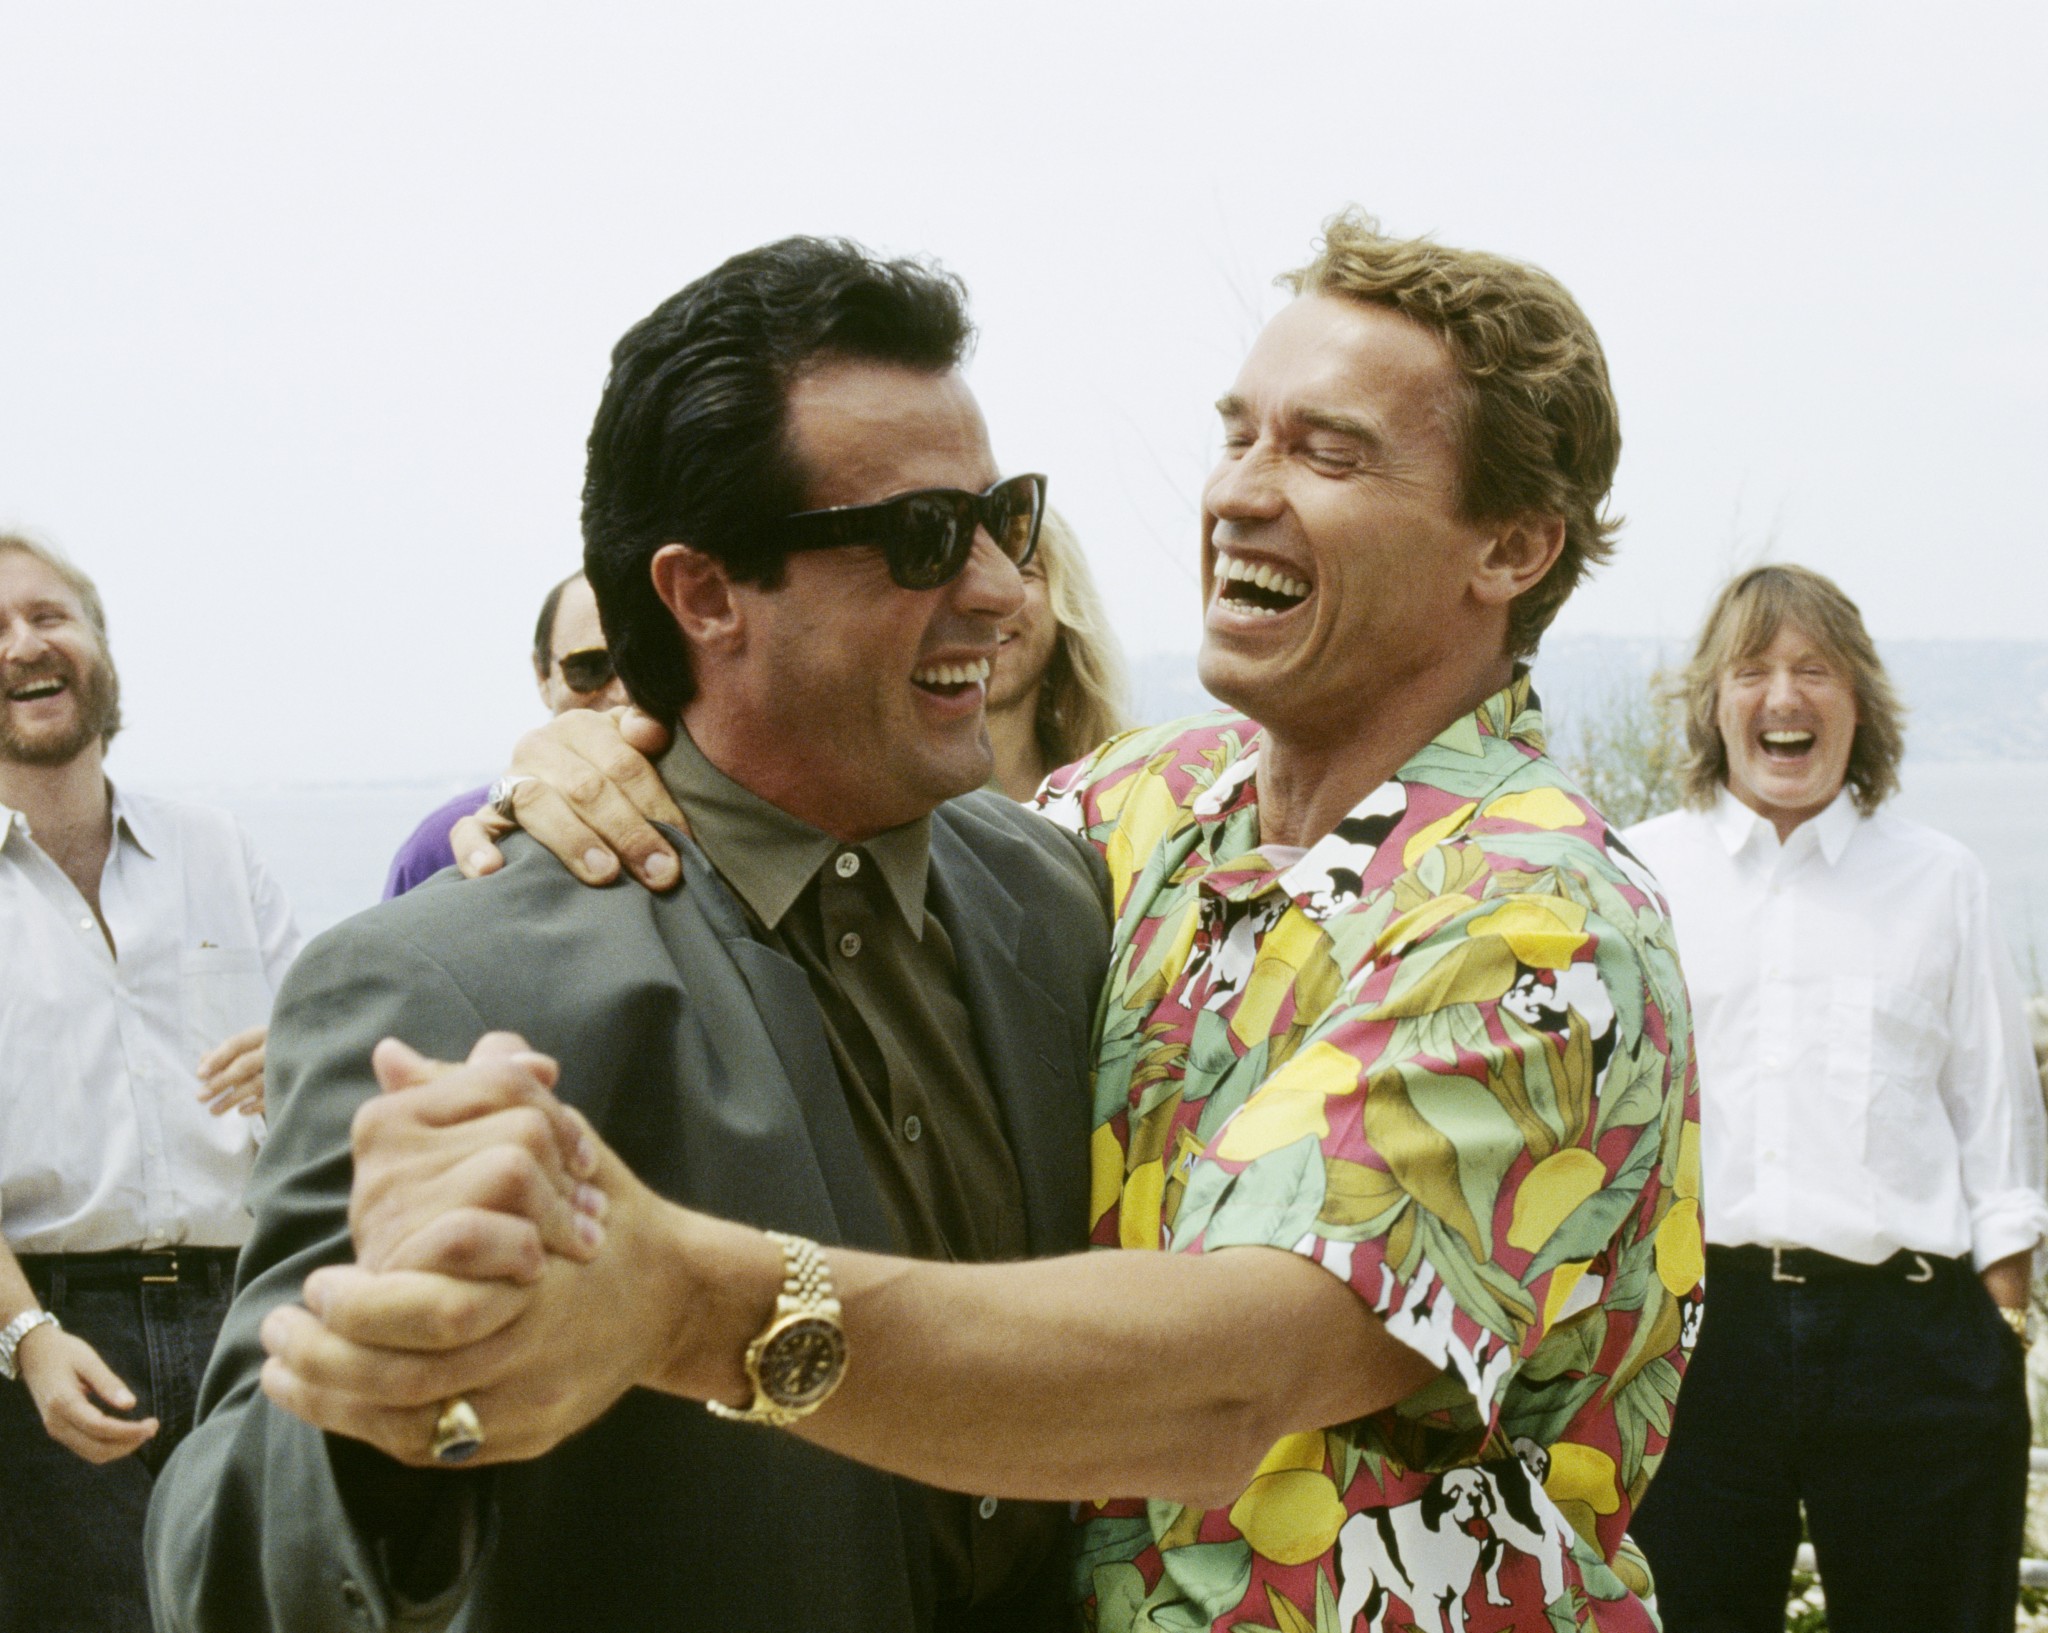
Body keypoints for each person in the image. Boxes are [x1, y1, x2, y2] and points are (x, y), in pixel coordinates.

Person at [214, 213, 1701, 1632]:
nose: (1238, 490)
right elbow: (247, 1538)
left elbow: (1223, 1384)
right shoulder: (1128, 822)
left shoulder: (1537, 922)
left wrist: (681, 1303)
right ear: (703, 592)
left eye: (1328, 451)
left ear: (1511, 549)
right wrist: (600, 744)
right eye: (1238, 432)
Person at [147, 238, 1116, 1633]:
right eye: (921, 536)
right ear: (704, 594)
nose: (1005, 593)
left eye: (1002, 518)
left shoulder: (1056, 895)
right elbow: (221, 1574)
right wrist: (400, 1412)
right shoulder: (448, 981)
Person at [1624, 563, 2046, 1632]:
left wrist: (1999, 1327)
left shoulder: (1940, 879)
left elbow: (1995, 1120)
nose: (1784, 695)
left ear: (1859, 700)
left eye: (1814, 669)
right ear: (1712, 703)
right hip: (1692, 1338)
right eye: (1752, 670)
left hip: (1910, 1342)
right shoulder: (1635, 873)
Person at [0, 534, 300, 1633]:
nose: (23, 645)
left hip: (248, 1320)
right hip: (44, 1346)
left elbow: (333, 1085)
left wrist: (301, 1064)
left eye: (49, 615)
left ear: (100, 645)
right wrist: (29, 1340)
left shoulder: (216, 849)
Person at [381, 569, 627, 897]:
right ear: (543, 677)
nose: (623, 693)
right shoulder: (441, 848)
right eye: (590, 667)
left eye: (643, 664)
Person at [984, 507, 1128, 801]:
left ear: (1064, 605)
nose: (992, 598)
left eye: (1023, 572)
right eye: (963, 577)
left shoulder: (1114, 784)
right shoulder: (902, 796)